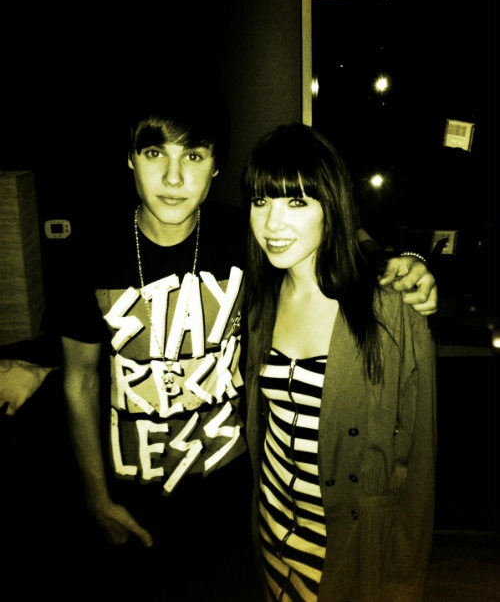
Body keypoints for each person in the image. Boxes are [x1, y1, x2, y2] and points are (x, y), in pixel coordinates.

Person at [52, 74, 436, 601]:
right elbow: (78, 380)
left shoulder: (247, 238)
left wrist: (403, 259)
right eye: (154, 153)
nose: (172, 177)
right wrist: (95, 496)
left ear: (215, 166)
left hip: (235, 504)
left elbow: (323, 220)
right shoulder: (87, 253)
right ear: (130, 159)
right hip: (135, 501)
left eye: (193, 155)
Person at [242, 123, 437, 602]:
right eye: (261, 201)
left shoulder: (390, 310)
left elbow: (420, 466)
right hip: (270, 529)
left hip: (345, 546)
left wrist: (403, 582)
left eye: (296, 202)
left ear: (331, 206)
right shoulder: (260, 299)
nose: (272, 224)